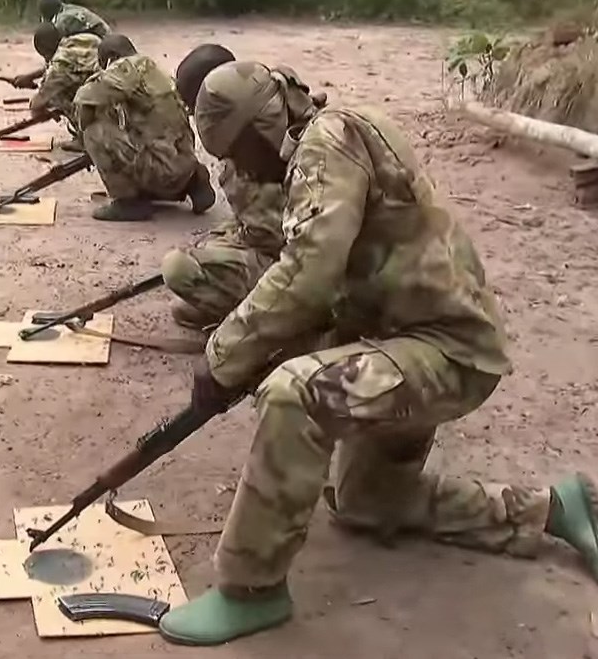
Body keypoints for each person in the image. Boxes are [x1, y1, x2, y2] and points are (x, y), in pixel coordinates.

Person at [158, 60, 598, 646]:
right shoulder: (334, 131)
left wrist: (224, 356)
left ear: (265, 124)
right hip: (404, 340)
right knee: (367, 503)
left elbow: (307, 273)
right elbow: (330, 285)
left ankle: (251, 590)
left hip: (444, 352)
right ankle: (548, 509)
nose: (238, 168)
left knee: (296, 394)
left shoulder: (327, 145)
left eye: (238, 150)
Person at [161, 47, 318, 331]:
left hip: (314, 274)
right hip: (307, 251)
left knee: (180, 268)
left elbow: (276, 240)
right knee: (214, 242)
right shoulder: (281, 108)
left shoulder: (258, 148)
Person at [70, 34, 214, 221]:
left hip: (161, 170)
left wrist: (84, 135)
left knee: (94, 130)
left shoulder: (124, 68)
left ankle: (128, 202)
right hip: (184, 163)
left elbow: (83, 99)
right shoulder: (154, 70)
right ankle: (194, 182)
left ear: (111, 57)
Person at [12, 22, 101, 153]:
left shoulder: (59, 65)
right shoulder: (79, 40)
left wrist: (43, 112)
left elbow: (38, 104)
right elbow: (62, 65)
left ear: (45, 50)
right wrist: (30, 76)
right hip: (116, 87)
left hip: (101, 99)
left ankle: (85, 140)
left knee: (57, 97)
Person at [37, 0, 111, 39]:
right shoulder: (67, 8)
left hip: (103, 40)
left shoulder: (63, 20)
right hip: (104, 37)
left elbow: (56, 42)